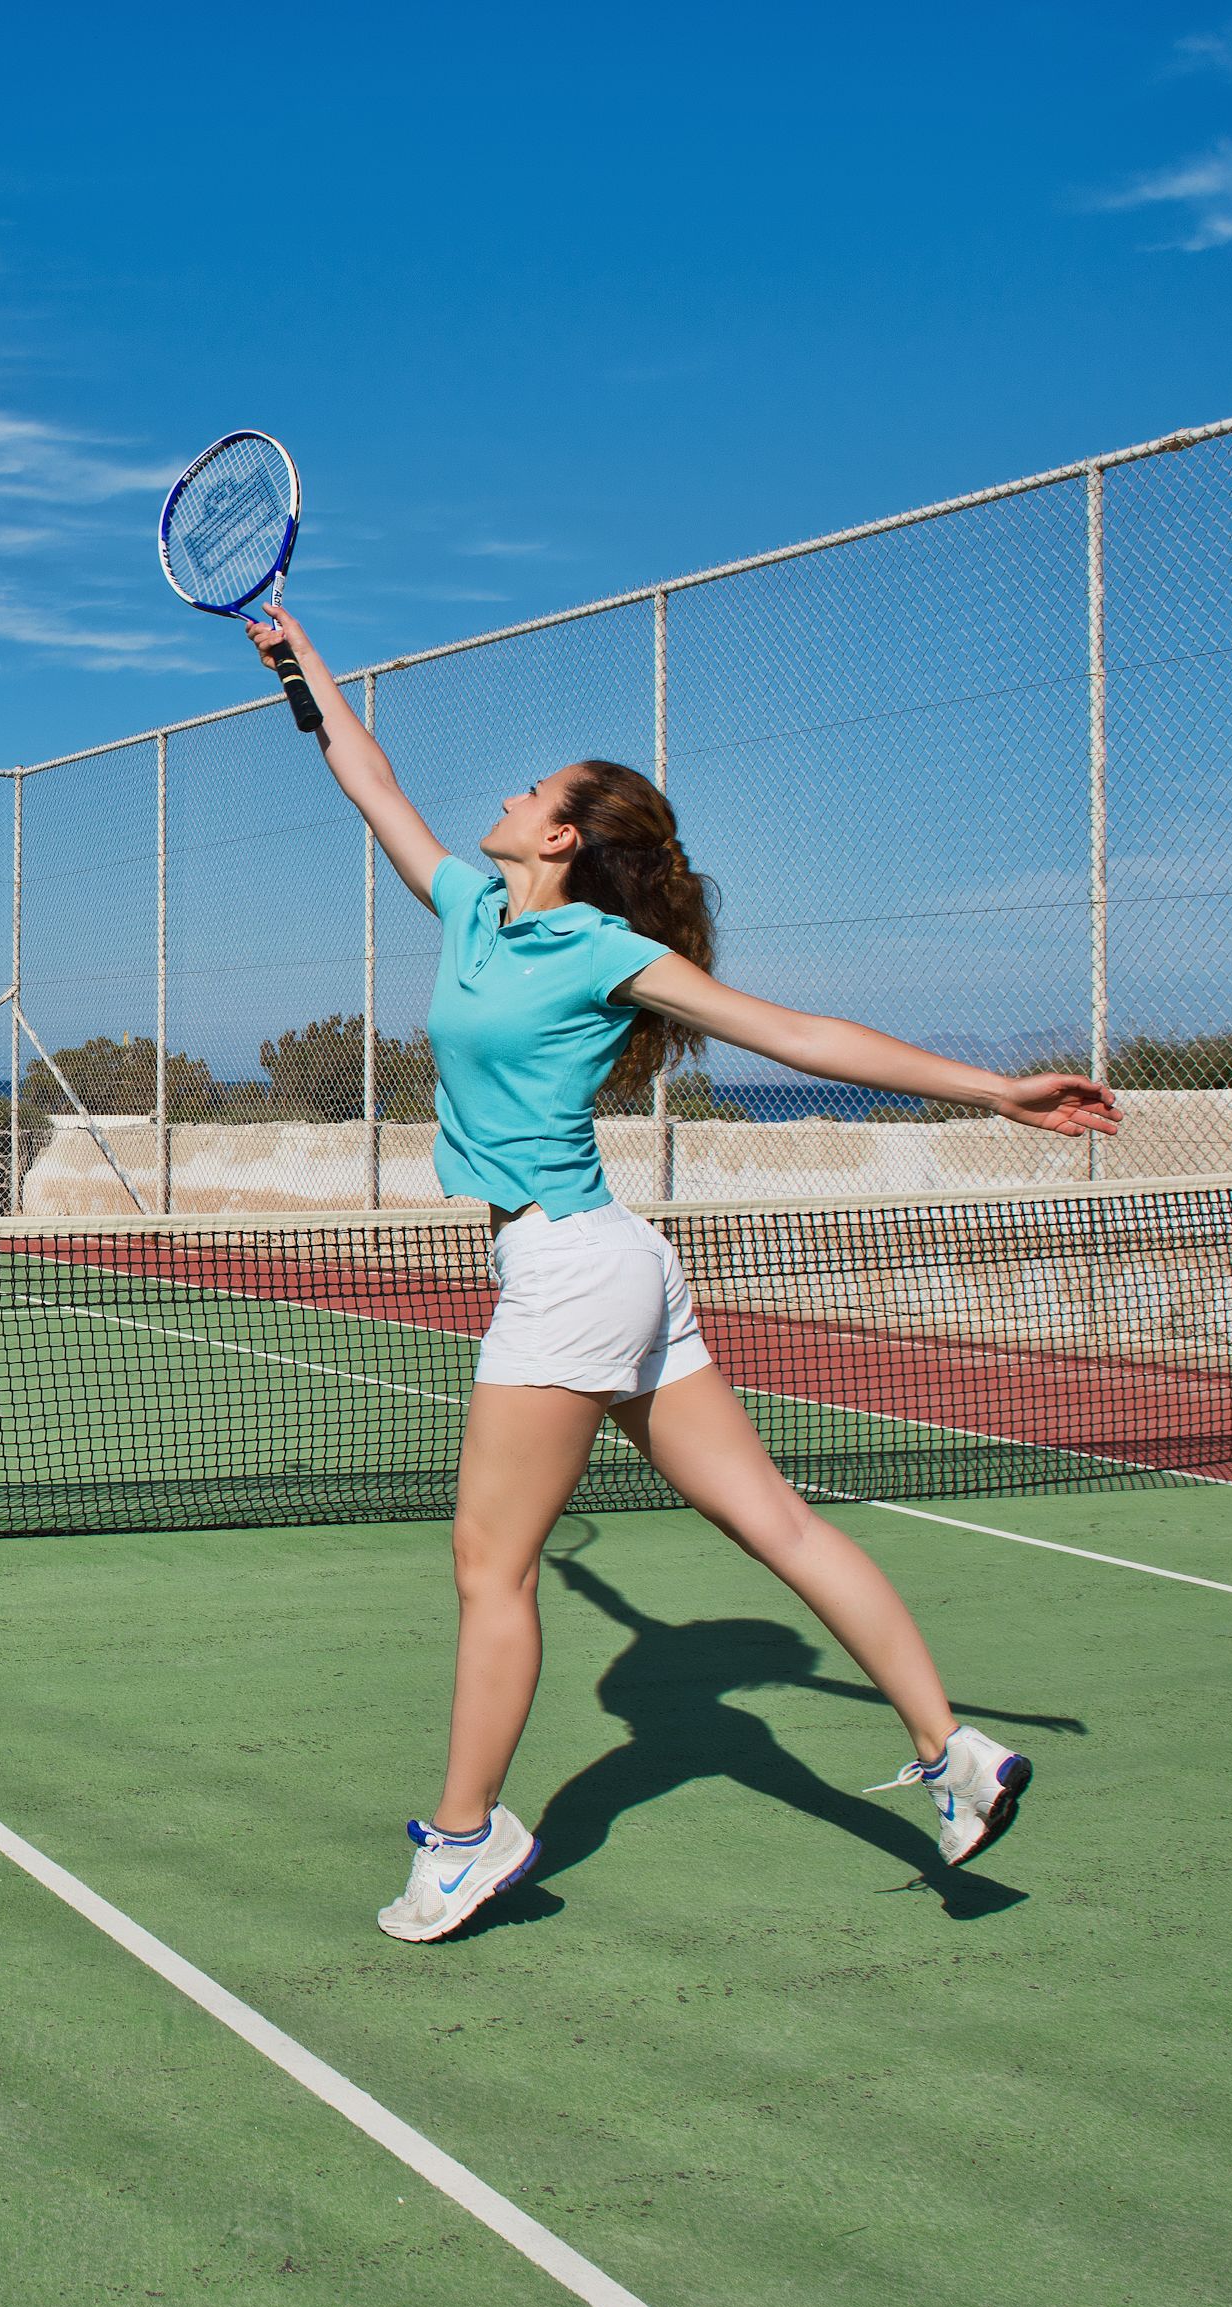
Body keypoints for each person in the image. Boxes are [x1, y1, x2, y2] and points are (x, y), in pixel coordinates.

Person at [239, 602, 1121, 1944]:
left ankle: (465, 1842)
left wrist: (993, 1088)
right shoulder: (470, 905)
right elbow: (368, 778)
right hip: (619, 1263)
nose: (504, 791)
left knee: (489, 1569)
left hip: (565, 1268)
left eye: (531, 789)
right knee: (772, 1524)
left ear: (561, 838)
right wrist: (301, 671)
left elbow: (789, 1031)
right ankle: (950, 1752)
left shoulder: (601, 951)